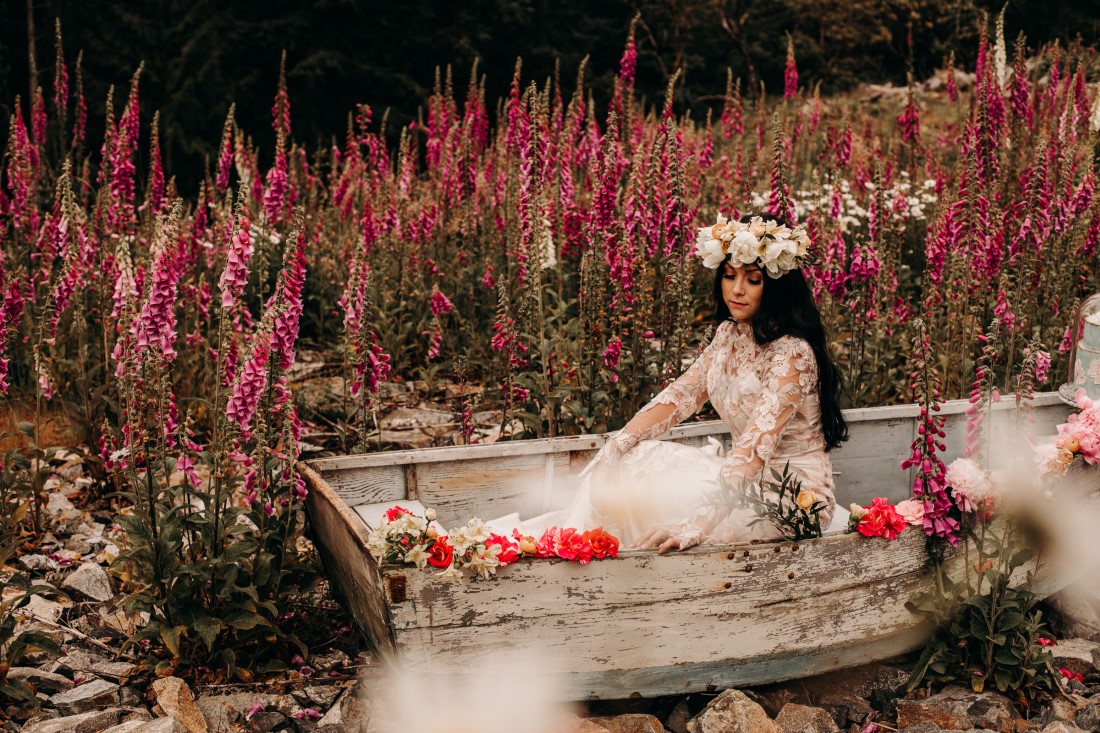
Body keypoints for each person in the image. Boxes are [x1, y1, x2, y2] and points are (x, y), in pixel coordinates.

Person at [568, 212, 849, 553]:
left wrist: (699, 522)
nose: (737, 289)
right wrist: (617, 444)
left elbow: (754, 450)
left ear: (775, 285)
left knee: (676, 512)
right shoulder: (728, 335)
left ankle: (634, 568)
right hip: (738, 479)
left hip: (790, 499)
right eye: (729, 276)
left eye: (753, 279)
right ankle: (598, 553)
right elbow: (680, 396)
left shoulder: (792, 353)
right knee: (634, 456)